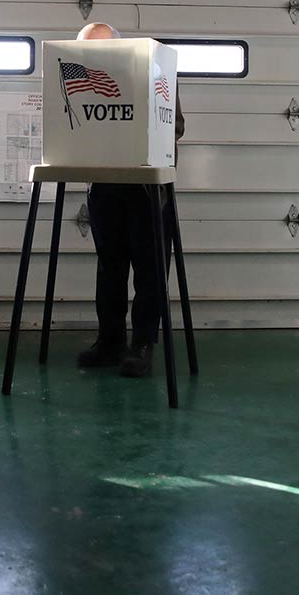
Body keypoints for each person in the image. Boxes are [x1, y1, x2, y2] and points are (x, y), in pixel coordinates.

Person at [72, 22, 185, 378]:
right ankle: (110, 340)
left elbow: (176, 126)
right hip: (105, 185)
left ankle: (143, 344)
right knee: (110, 266)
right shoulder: (84, 80)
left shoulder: (153, 72)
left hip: (146, 187)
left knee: (150, 268)